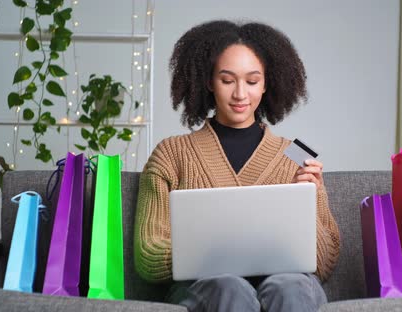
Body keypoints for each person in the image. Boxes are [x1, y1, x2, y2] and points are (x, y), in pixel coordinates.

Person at [134, 20, 340, 312]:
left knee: (291, 285)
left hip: (287, 286)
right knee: (229, 286)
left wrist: (314, 195)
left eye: (252, 81)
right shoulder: (171, 153)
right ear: (208, 81)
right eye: (227, 80)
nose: (240, 94)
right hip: (207, 288)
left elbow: (326, 261)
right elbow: (148, 255)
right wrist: (215, 258)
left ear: (267, 82)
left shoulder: (296, 153)